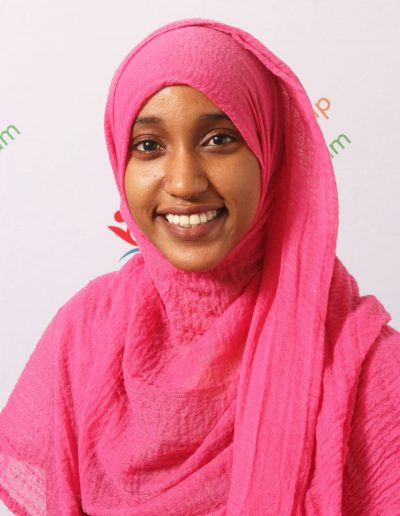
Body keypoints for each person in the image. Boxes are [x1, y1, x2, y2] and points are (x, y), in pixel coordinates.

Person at [0, 17, 399, 515]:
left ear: (268, 152)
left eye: (218, 139)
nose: (185, 183)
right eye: (149, 145)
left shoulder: (369, 372)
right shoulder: (83, 335)